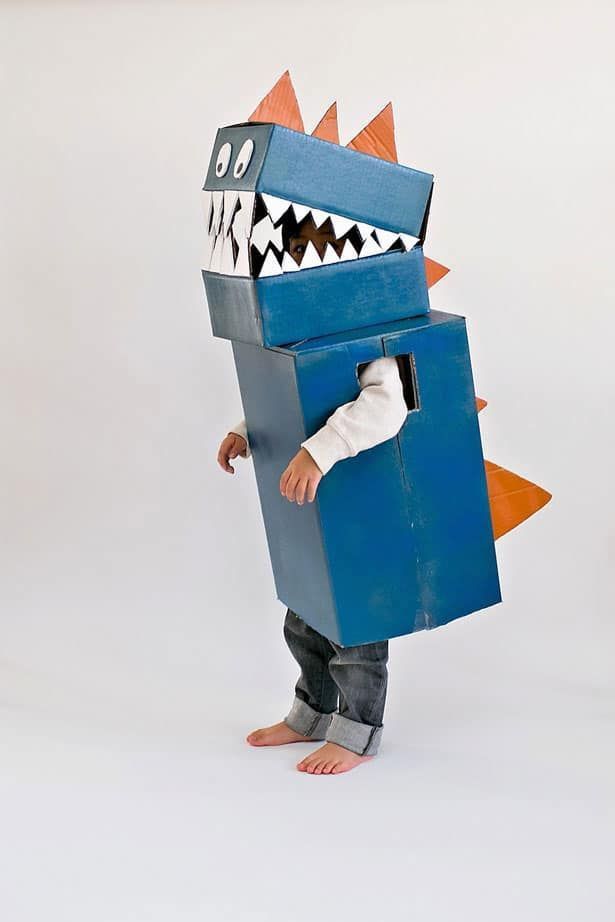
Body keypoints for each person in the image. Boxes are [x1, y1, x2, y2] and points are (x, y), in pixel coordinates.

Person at [217, 218, 408, 775]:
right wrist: (248, 429)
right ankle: (312, 711)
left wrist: (321, 451)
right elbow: (292, 393)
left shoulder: (374, 336)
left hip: (360, 504)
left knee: (356, 622)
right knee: (303, 616)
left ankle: (356, 731)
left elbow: (386, 406)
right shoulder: (299, 332)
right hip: (310, 514)